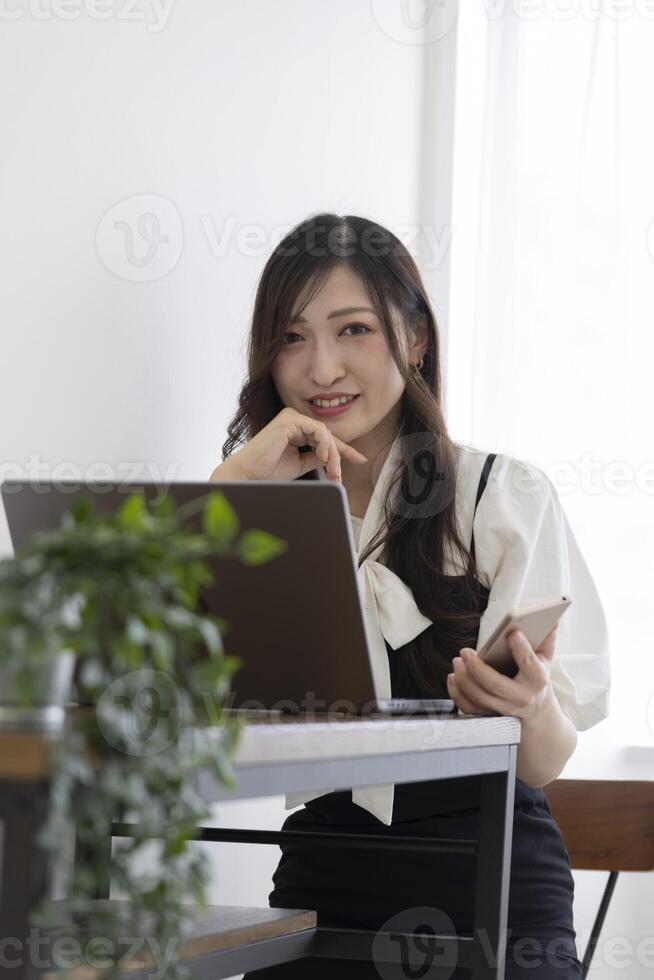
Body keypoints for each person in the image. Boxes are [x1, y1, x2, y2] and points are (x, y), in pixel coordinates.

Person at [210, 213, 611, 979]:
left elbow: (546, 763)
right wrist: (235, 483)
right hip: (324, 871)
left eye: (353, 329)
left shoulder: (502, 494)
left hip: (489, 876)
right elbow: (154, 651)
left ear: (415, 336)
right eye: (292, 338)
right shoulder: (254, 513)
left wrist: (529, 709)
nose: (321, 368)